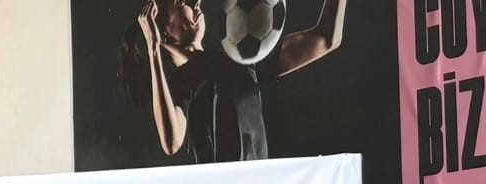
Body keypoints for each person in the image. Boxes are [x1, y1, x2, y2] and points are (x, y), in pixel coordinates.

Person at [120, 0, 347, 163]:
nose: (196, 2)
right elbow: (171, 142)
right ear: (163, 33)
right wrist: (152, 49)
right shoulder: (182, 81)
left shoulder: (240, 60)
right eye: (181, 2)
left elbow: (326, 39)